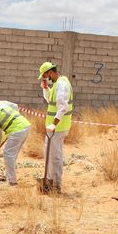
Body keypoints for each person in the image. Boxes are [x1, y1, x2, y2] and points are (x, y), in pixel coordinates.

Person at [38, 61, 74, 192]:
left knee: (55, 156)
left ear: (50, 72)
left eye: (46, 76)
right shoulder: (57, 84)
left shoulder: (62, 85)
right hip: (54, 128)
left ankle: (56, 185)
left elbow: (63, 106)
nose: (45, 78)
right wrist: (46, 88)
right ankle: (50, 181)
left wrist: (54, 124)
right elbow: (51, 101)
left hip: (57, 128)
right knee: (50, 154)